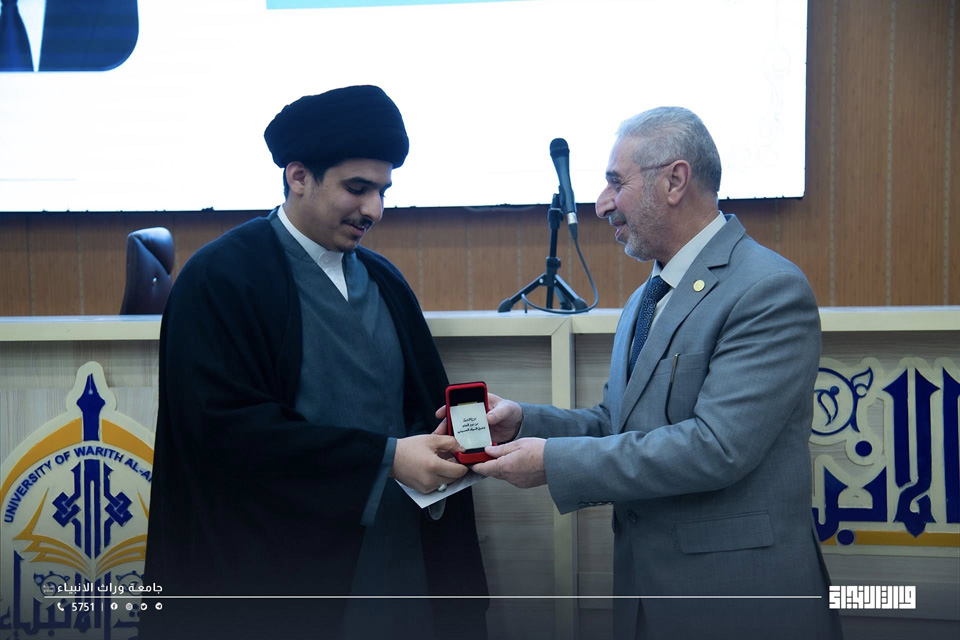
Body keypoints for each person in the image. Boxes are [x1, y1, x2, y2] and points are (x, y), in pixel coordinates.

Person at [462, 107, 842, 640]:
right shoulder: (647, 297)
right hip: (647, 601)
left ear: (675, 180)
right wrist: (524, 423)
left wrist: (552, 463)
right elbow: (617, 424)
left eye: (616, 183)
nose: (601, 204)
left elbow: (716, 447)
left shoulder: (768, 289)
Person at [140, 85, 488, 640]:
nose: (374, 210)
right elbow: (220, 435)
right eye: (357, 188)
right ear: (298, 176)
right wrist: (385, 459)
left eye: (382, 191)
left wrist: (462, 435)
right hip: (275, 575)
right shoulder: (221, 279)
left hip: (397, 560)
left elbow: (420, 404)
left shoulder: (383, 279)